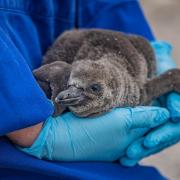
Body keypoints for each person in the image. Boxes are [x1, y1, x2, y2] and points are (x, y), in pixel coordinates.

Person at [0, 0, 179, 179]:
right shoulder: (64, 75)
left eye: (93, 89)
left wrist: (155, 58)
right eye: (72, 87)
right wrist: (27, 127)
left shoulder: (134, 91)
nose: (70, 93)